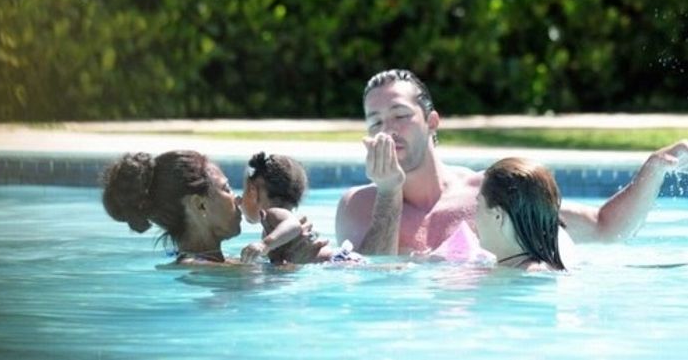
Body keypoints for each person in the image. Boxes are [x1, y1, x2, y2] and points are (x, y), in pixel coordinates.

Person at [335, 68, 688, 257]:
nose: (388, 130)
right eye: (375, 122)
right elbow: (374, 283)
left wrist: (655, 168)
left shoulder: (491, 190)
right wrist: (389, 192)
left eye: (400, 115)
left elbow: (605, 229)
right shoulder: (357, 206)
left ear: (432, 122)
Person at [101, 150, 243, 264]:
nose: (238, 199)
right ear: (200, 205)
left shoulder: (212, 263)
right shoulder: (198, 268)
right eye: (226, 189)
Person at [240, 152, 362, 264]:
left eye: (244, 191)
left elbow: (293, 225)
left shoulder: (273, 214)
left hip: (335, 260)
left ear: (252, 192)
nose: (239, 200)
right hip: (337, 259)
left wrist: (264, 244)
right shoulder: (274, 224)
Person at [475, 157, 566, 271]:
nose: (474, 216)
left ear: (498, 216)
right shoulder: (522, 268)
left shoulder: (529, 274)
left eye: (478, 206)